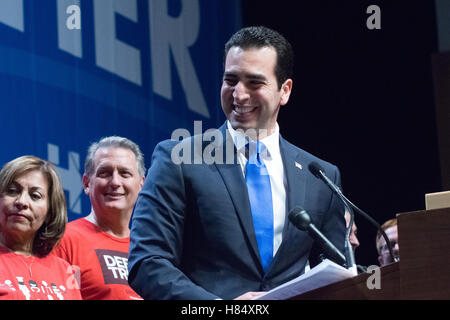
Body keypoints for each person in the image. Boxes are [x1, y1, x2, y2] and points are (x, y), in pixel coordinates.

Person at [128, 26, 346, 300]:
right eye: (231, 80)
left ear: (285, 90)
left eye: (255, 83)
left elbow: (337, 274)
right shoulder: (178, 160)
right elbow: (147, 263)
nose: (239, 95)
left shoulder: (321, 176)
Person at [53, 136, 145, 300]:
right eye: (105, 173)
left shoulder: (149, 249)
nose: (116, 182)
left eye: (125, 173)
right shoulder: (65, 241)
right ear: (87, 183)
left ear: (141, 185)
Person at [0, 155, 81, 300]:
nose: (22, 201)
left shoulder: (65, 270)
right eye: (12, 191)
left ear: (50, 211)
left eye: (35, 196)